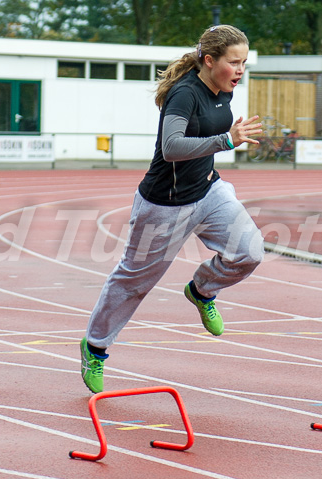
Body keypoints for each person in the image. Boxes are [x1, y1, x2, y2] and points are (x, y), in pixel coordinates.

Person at [80, 25, 265, 394]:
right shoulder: (184, 95)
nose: (241, 70)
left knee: (250, 252)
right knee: (133, 281)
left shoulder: (223, 91)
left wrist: (221, 144)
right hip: (163, 205)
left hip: (210, 192)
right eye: (234, 62)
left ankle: (202, 290)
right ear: (210, 61)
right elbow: (172, 148)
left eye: (244, 62)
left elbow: (204, 146)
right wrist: (227, 139)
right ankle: (95, 347)